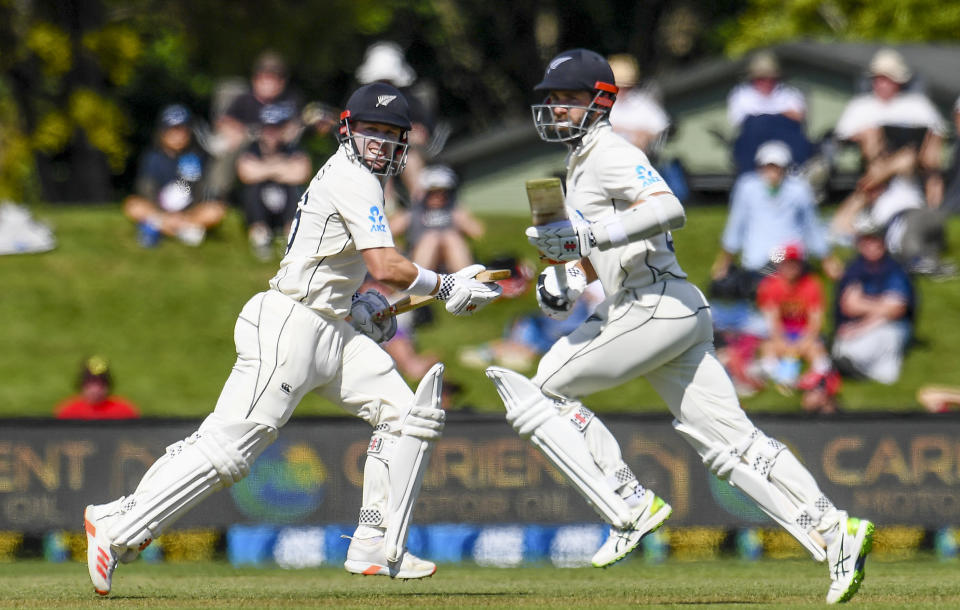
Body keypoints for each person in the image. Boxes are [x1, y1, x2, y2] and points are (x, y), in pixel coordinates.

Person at [83, 83, 502, 595]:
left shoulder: (360, 179)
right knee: (231, 448)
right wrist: (447, 284)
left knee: (406, 412)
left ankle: (374, 540)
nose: (380, 143)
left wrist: (357, 304)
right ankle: (119, 527)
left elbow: (339, 262)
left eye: (391, 134)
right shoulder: (353, 177)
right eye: (371, 130)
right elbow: (385, 265)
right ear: (347, 130)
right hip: (291, 325)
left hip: (329, 327)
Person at [486, 49, 872, 604]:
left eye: (567, 100)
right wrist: (568, 277)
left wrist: (588, 240)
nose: (555, 110)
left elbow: (667, 208)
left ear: (600, 101)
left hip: (653, 306)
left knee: (542, 385)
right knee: (729, 445)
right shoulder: (581, 163)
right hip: (666, 307)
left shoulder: (609, 151)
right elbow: (618, 243)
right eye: (551, 100)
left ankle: (628, 502)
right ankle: (836, 531)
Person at [830, 48, 950, 273]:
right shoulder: (861, 107)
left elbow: (936, 136)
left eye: (888, 79)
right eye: (878, 79)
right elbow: (843, 136)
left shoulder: (917, 106)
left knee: (909, 156)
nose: (882, 84)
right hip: (876, 167)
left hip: (909, 170)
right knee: (877, 138)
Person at [712, 140, 840, 291]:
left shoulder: (798, 190)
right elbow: (736, 225)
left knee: (778, 274)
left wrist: (827, 259)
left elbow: (811, 225)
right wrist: (724, 262)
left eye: (777, 167)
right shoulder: (747, 187)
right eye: (768, 166)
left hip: (789, 256)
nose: (772, 172)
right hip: (757, 258)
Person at [123, 105, 227, 247]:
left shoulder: (197, 157)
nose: (178, 136)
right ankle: (181, 231)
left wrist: (184, 215)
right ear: (162, 132)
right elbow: (146, 190)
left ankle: (159, 228)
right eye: (173, 131)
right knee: (132, 205)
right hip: (160, 210)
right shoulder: (152, 158)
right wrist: (165, 214)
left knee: (216, 211)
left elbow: (201, 191)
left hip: (189, 213)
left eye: (182, 130)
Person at [755, 244, 840, 412]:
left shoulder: (812, 284)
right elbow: (772, 319)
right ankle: (779, 378)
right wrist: (781, 340)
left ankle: (817, 378)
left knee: (816, 349)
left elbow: (816, 319)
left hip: (803, 333)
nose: (791, 267)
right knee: (769, 348)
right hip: (783, 333)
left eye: (794, 263)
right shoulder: (771, 285)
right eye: (787, 263)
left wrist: (804, 341)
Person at [208, 51, 304, 198]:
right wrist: (242, 132)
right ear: (255, 79)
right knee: (228, 147)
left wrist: (284, 133)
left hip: (282, 148)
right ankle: (217, 195)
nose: (269, 82)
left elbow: (298, 124)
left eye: (275, 78)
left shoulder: (291, 99)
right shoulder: (245, 100)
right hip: (251, 148)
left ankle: (296, 206)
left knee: (300, 165)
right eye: (265, 77)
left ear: (282, 81)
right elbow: (223, 122)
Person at [832, 223, 914, 385]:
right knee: (843, 346)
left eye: (876, 241)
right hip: (854, 327)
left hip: (889, 326)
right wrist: (882, 304)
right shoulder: (854, 269)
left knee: (881, 337)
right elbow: (849, 306)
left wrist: (864, 314)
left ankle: (864, 371)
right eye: (866, 241)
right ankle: (855, 369)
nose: (872, 246)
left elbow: (897, 309)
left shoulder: (895, 270)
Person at [236, 103, 312, 260]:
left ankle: (289, 234)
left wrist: (264, 169)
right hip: (260, 205)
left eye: (276, 128)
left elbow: (302, 173)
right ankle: (260, 235)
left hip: (285, 204)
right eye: (268, 129)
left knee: (295, 187)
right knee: (252, 187)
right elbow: (246, 174)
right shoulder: (251, 148)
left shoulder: (293, 148)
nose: (271, 133)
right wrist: (281, 167)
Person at [726, 51, 811, 175]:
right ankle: (750, 175)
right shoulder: (741, 94)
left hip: (786, 136)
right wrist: (779, 113)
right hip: (753, 139)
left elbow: (799, 116)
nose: (766, 83)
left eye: (771, 79)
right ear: (753, 79)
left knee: (802, 145)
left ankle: (797, 173)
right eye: (761, 79)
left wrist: (767, 115)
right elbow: (738, 120)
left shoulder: (789, 93)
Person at [388, 165, 484, 273]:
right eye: (433, 192)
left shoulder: (456, 212)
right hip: (421, 259)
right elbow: (385, 235)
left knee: (451, 237)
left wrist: (462, 218)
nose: (438, 196)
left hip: (450, 264)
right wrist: (398, 252)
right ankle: (421, 284)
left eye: (443, 192)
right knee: (431, 238)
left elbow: (478, 234)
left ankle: (466, 282)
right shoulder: (410, 214)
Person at [55, 356, 140, 420]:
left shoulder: (124, 410)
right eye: (90, 383)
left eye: (101, 383)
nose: (95, 389)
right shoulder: (69, 411)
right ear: (81, 385)